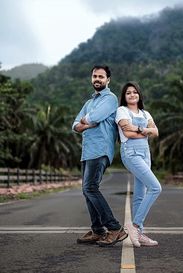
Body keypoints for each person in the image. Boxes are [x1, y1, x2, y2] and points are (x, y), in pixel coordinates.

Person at [72, 65, 128, 247]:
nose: (97, 79)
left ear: (108, 80)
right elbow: (75, 125)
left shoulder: (110, 99)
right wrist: (86, 124)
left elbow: (94, 118)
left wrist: (86, 122)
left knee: (91, 188)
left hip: (100, 149)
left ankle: (115, 228)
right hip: (87, 152)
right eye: (95, 76)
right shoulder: (89, 103)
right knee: (87, 190)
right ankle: (98, 230)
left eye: (101, 76)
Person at [115, 81, 162, 247]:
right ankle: (134, 226)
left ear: (139, 95)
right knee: (156, 187)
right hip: (131, 153)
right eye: (128, 93)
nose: (132, 95)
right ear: (124, 96)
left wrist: (140, 130)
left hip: (145, 154)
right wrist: (145, 131)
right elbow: (127, 132)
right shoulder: (121, 111)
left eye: (135, 92)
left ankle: (139, 233)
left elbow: (155, 132)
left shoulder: (145, 113)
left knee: (140, 195)